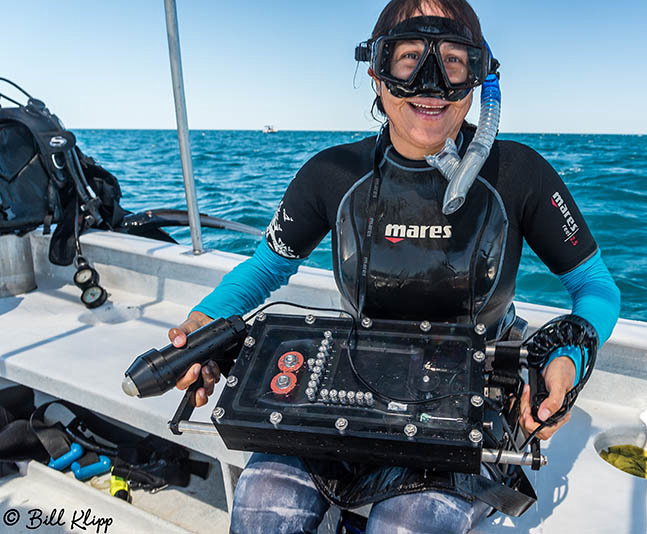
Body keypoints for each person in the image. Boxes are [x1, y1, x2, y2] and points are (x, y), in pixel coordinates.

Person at [169, 1, 621, 532]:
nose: (430, 85)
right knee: (265, 503)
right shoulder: (333, 175)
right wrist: (204, 323)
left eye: (453, 62)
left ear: (480, 77)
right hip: (351, 381)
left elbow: (594, 287)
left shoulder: (517, 173)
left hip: (475, 394)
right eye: (409, 59)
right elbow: (266, 269)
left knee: (409, 522)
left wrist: (565, 358)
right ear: (376, 72)